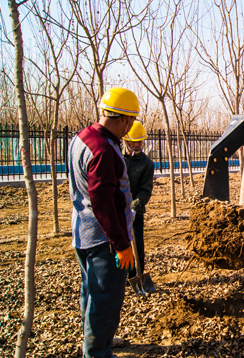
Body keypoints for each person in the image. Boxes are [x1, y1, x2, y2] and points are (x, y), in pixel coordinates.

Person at [68, 87, 138, 358]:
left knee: (91, 293)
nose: (129, 128)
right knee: (105, 300)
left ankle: (97, 341)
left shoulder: (82, 137)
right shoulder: (103, 150)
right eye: (130, 122)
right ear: (124, 119)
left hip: (83, 233)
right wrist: (121, 244)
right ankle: (98, 352)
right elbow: (103, 202)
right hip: (104, 240)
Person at [122, 120, 154, 284]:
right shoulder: (118, 159)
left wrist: (135, 206)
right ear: (126, 141)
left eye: (140, 142)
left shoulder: (147, 164)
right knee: (119, 245)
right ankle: (121, 276)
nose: (137, 145)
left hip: (135, 212)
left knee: (137, 245)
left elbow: (145, 189)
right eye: (134, 142)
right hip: (118, 211)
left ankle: (136, 275)